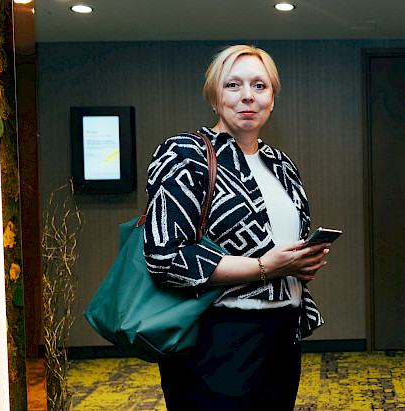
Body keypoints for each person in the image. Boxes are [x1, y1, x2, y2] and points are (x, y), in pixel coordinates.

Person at [143, 45, 329, 409]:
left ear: (272, 99)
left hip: (282, 337)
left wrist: (299, 264)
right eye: (233, 85)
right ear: (214, 97)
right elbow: (165, 258)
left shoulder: (282, 165)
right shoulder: (185, 154)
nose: (248, 96)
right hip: (215, 340)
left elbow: (279, 246)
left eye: (260, 86)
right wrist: (264, 267)